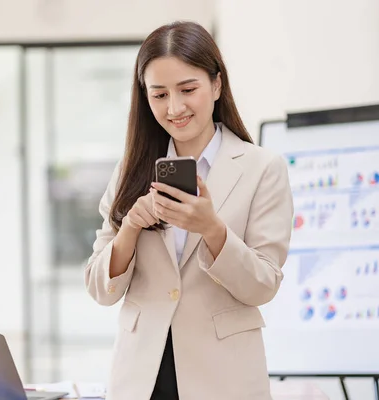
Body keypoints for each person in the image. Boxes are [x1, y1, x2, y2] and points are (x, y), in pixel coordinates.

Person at [84, 21, 294, 400]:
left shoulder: (263, 168)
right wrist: (131, 226)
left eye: (187, 89)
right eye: (159, 94)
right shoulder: (130, 170)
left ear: (216, 85)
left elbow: (263, 285)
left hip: (223, 378)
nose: (174, 107)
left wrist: (212, 229)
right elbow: (101, 289)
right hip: (140, 377)